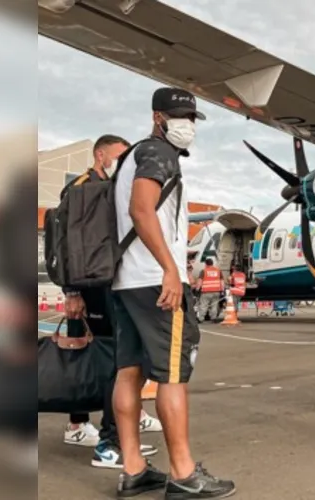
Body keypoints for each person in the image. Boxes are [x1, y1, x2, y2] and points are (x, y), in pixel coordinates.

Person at [111, 87, 235, 497]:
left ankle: (133, 468)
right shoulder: (158, 153)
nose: (186, 125)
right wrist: (169, 268)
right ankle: (183, 474)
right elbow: (141, 210)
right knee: (174, 375)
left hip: (125, 281)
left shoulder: (129, 158)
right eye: (178, 116)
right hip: (155, 280)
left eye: (191, 118)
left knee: (128, 371)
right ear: (157, 117)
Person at [59, 135, 163, 468]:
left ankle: (105, 425)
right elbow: (67, 244)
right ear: (99, 154)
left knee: (112, 359)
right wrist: (72, 291)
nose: (123, 164)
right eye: (118, 157)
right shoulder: (83, 188)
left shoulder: (113, 188)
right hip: (92, 287)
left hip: (108, 283)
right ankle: (109, 440)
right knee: (116, 361)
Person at [195, 258, 224, 322]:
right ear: (212, 263)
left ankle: (201, 319)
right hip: (216, 291)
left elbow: (200, 281)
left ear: (206, 264)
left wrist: (197, 289)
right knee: (214, 305)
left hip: (206, 292)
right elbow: (222, 281)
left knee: (203, 305)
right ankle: (213, 318)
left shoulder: (204, 271)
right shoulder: (218, 271)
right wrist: (222, 290)